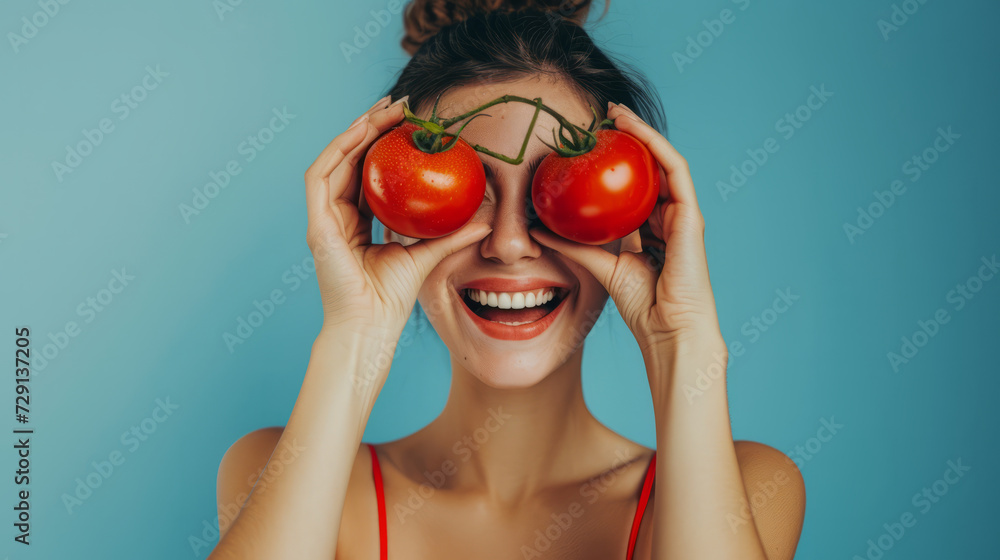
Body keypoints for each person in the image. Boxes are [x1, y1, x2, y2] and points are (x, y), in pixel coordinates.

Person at [208, 1, 806, 558]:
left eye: (563, 195)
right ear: (392, 221)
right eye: (465, 199)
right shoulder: (272, 473)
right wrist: (353, 337)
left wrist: (683, 344)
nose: (511, 245)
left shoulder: (755, 490)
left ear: (635, 225)